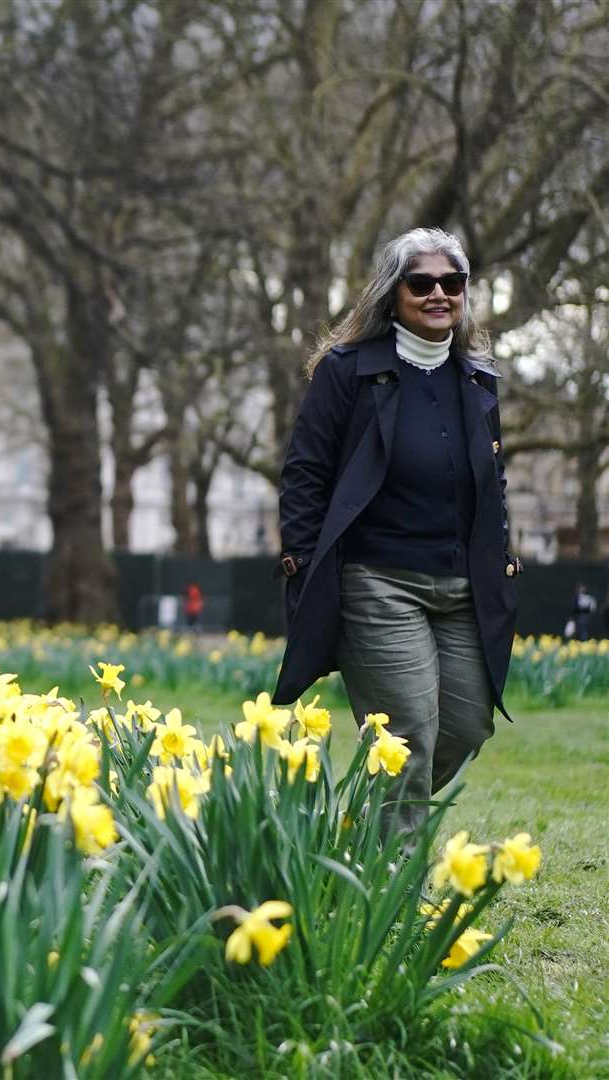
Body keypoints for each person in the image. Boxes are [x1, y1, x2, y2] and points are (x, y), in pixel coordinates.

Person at [271, 227, 522, 835]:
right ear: (394, 292)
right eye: (422, 283)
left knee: (465, 726)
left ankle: (354, 830)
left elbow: (493, 477)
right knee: (405, 734)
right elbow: (305, 472)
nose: (439, 294)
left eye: (452, 283)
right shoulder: (347, 370)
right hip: (377, 581)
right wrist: (304, 560)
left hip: (461, 586)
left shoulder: (476, 375)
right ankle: (394, 895)